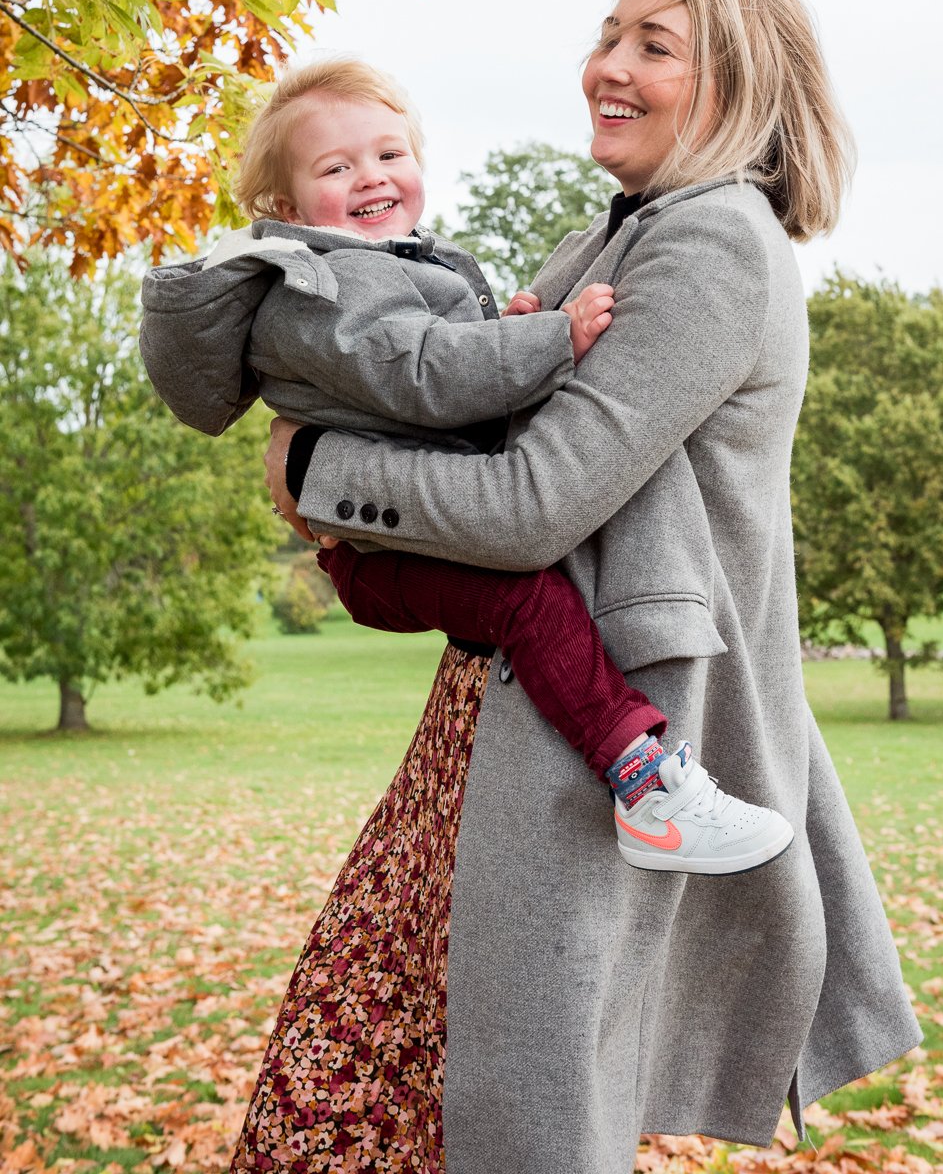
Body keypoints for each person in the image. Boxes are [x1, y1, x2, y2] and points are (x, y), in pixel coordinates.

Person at [241, 0, 923, 1174]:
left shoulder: (712, 243)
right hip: (500, 722)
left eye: (651, 44)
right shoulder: (624, 233)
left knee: (472, 1121)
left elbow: (531, 505)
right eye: (609, 34)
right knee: (359, 1097)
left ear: (735, 88)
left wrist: (318, 474)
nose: (605, 64)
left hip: (593, 744)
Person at [140, 57, 794, 875]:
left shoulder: (394, 265)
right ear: (286, 208)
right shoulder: (318, 290)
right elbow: (424, 374)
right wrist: (551, 339)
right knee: (529, 604)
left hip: (411, 540)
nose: (371, 178)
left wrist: (509, 328)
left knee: (528, 607)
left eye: (388, 154)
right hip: (386, 557)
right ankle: (645, 783)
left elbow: (444, 364)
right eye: (337, 168)